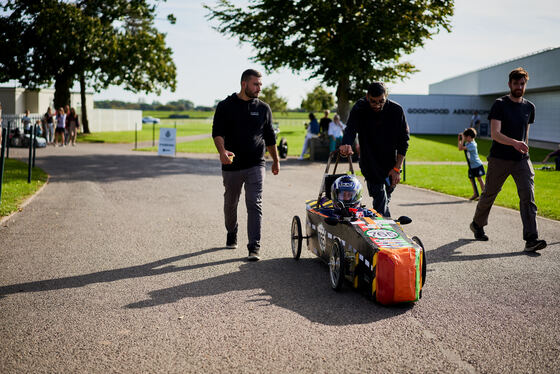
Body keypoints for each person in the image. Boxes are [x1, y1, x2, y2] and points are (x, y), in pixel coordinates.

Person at [470, 67, 547, 252]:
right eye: (516, 83)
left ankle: (531, 239)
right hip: (499, 159)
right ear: (510, 84)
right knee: (489, 194)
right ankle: (477, 224)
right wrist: (514, 143)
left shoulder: (529, 107)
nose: (519, 87)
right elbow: (495, 134)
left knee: (528, 196)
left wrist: (523, 148)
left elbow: (525, 134)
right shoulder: (500, 104)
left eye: (522, 84)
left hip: (521, 160)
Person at [212, 69, 280, 261]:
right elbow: (217, 132)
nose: (259, 88)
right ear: (244, 84)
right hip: (232, 165)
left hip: (256, 164)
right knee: (230, 204)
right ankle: (232, 231)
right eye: (255, 84)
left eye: (260, 84)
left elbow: (270, 137)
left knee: (254, 203)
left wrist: (275, 160)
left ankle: (254, 247)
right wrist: (222, 151)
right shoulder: (225, 106)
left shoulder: (264, 108)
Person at [339, 82, 409, 217]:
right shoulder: (359, 108)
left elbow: (404, 141)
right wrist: (346, 144)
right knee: (379, 196)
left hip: (391, 163)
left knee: (384, 198)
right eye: (373, 101)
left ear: (386, 96)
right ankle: (386, 232)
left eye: (381, 101)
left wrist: (397, 168)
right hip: (369, 161)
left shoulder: (396, 110)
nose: (377, 105)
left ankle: (375, 224)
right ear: (367, 97)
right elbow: (350, 129)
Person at [458, 127, 485, 200]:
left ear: (469, 137)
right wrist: (460, 140)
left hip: (477, 165)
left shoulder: (472, 145)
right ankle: (476, 194)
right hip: (471, 166)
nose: (465, 139)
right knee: (471, 179)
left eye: (466, 137)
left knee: (479, 179)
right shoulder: (468, 143)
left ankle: (484, 194)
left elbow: (461, 148)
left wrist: (462, 139)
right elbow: (459, 148)